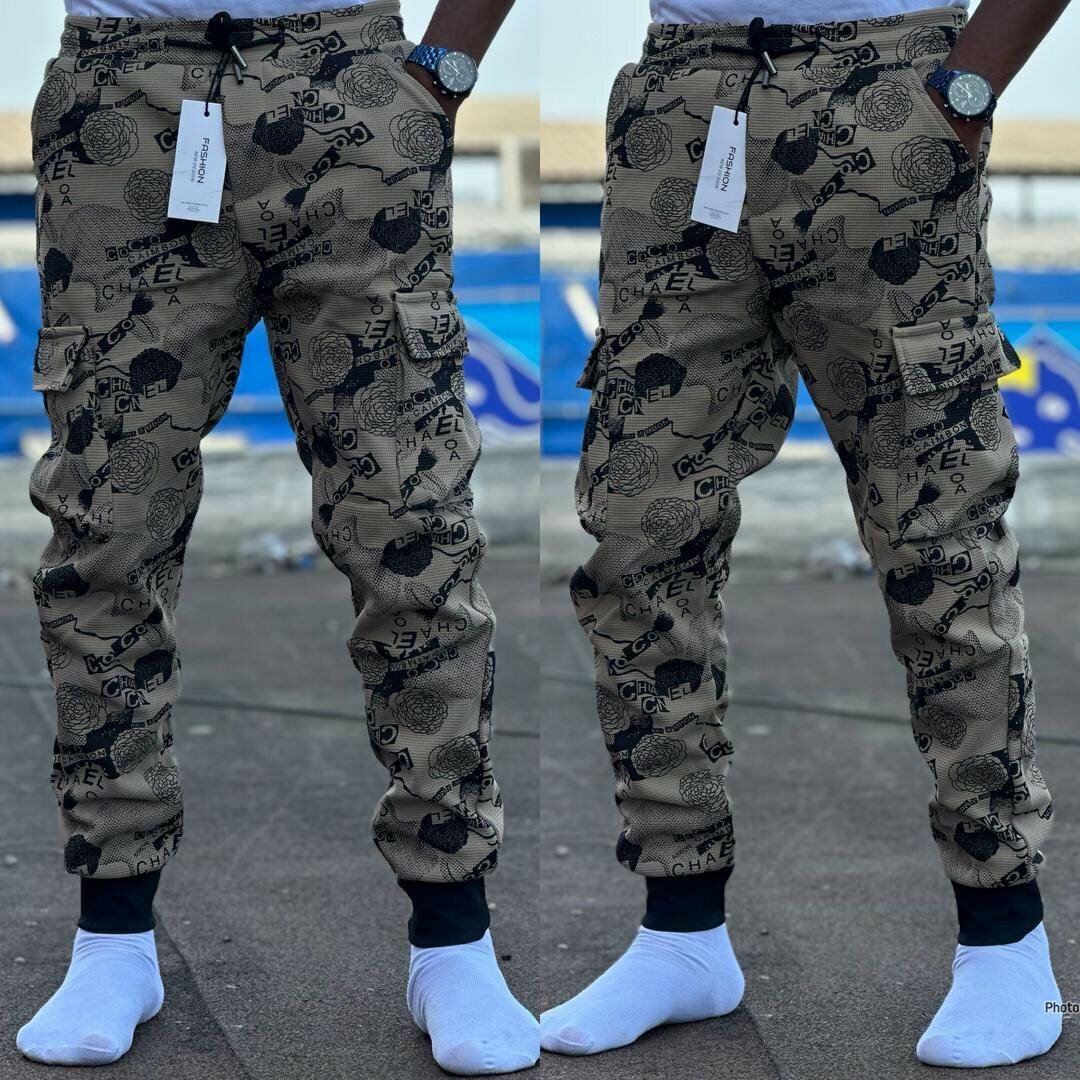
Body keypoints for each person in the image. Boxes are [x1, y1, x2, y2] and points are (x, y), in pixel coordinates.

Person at [543, 0, 1071, 1068]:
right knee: (639, 539)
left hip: (888, 90)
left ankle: (1004, 938)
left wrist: (964, 89)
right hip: (685, 102)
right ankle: (681, 928)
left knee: (940, 548)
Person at [17, 1, 539, 1074]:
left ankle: (454, 936)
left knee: (411, 529)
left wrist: (441, 70)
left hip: (348, 84)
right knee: (104, 538)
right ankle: (113, 935)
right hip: (124, 97)